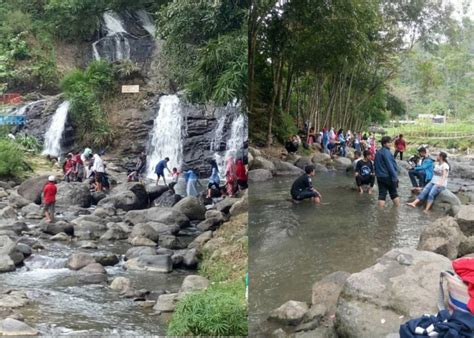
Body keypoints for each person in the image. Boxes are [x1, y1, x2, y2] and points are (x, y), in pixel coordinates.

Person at [374, 136, 400, 207]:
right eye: (388, 143)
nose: (390, 144)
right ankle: (397, 211)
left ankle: (380, 212)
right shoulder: (387, 152)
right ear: (384, 144)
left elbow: (375, 165)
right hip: (387, 176)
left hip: (380, 176)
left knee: (382, 194)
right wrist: (395, 177)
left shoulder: (378, 152)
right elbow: (390, 166)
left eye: (390, 142)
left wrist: (377, 174)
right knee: (394, 193)